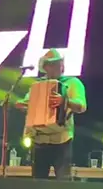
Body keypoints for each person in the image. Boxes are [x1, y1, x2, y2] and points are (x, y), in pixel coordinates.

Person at [16, 49, 87, 180]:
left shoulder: (72, 83)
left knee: (63, 182)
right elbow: (28, 103)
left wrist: (64, 101)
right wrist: (22, 105)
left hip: (61, 140)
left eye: (57, 64)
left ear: (62, 66)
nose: (54, 67)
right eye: (50, 64)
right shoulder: (37, 85)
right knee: (38, 182)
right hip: (39, 140)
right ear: (45, 67)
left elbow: (81, 106)